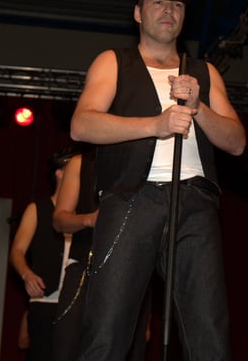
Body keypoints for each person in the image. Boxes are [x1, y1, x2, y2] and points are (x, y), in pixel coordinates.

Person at [70, 0, 246, 361]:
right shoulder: (114, 62)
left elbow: (236, 143)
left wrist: (198, 108)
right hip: (130, 200)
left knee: (209, 335)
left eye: (177, 5)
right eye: (157, 3)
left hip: (195, 204)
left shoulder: (203, 72)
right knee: (107, 331)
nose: (168, 10)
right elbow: (81, 125)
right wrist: (156, 125)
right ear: (138, 13)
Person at [51, 144, 151, 361]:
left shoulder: (144, 158)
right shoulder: (80, 163)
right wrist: (89, 219)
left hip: (131, 268)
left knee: (127, 347)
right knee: (67, 344)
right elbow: (59, 220)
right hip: (83, 266)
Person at [9, 147, 77, 360]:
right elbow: (17, 250)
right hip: (45, 302)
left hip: (76, 303)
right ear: (60, 173)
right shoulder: (37, 209)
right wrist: (27, 274)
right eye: (73, 169)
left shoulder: (84, 214)